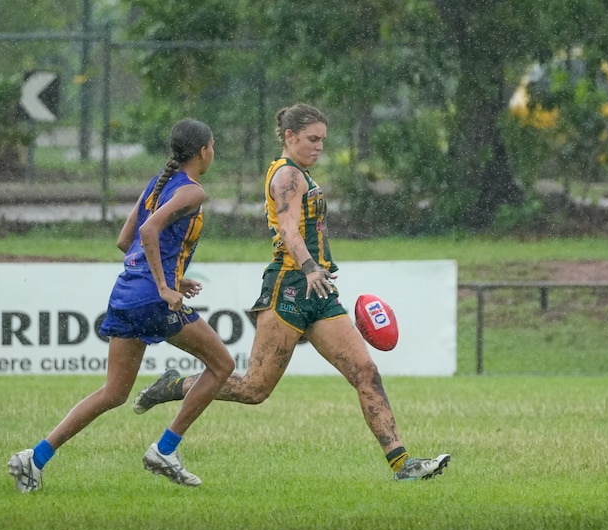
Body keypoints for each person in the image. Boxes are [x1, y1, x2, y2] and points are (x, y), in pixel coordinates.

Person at [132, 104, 450, 482]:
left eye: (323, 140)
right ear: (290, 137)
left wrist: (318, 273)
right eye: (312, 139)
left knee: (365, 371)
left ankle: (403, 464)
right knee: (254, 389)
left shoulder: (302, 175)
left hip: (319, 290)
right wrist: (310, 267)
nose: (319, 147)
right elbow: (288, 229)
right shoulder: (287, 176)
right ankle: (174, 385)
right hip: (290, 287)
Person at [8, 119, 234, 491]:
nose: (213, 152)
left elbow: (123, 240)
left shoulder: (156, 185)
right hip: (150, 297)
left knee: (113, 392)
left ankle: (35, 458)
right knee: (222, 364)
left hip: (126, 294)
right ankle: (165, 449)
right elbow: (146, 233)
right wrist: (164, 286)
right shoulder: (193, 192)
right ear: (203, 151)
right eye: (213, 145)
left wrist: (173, 278)